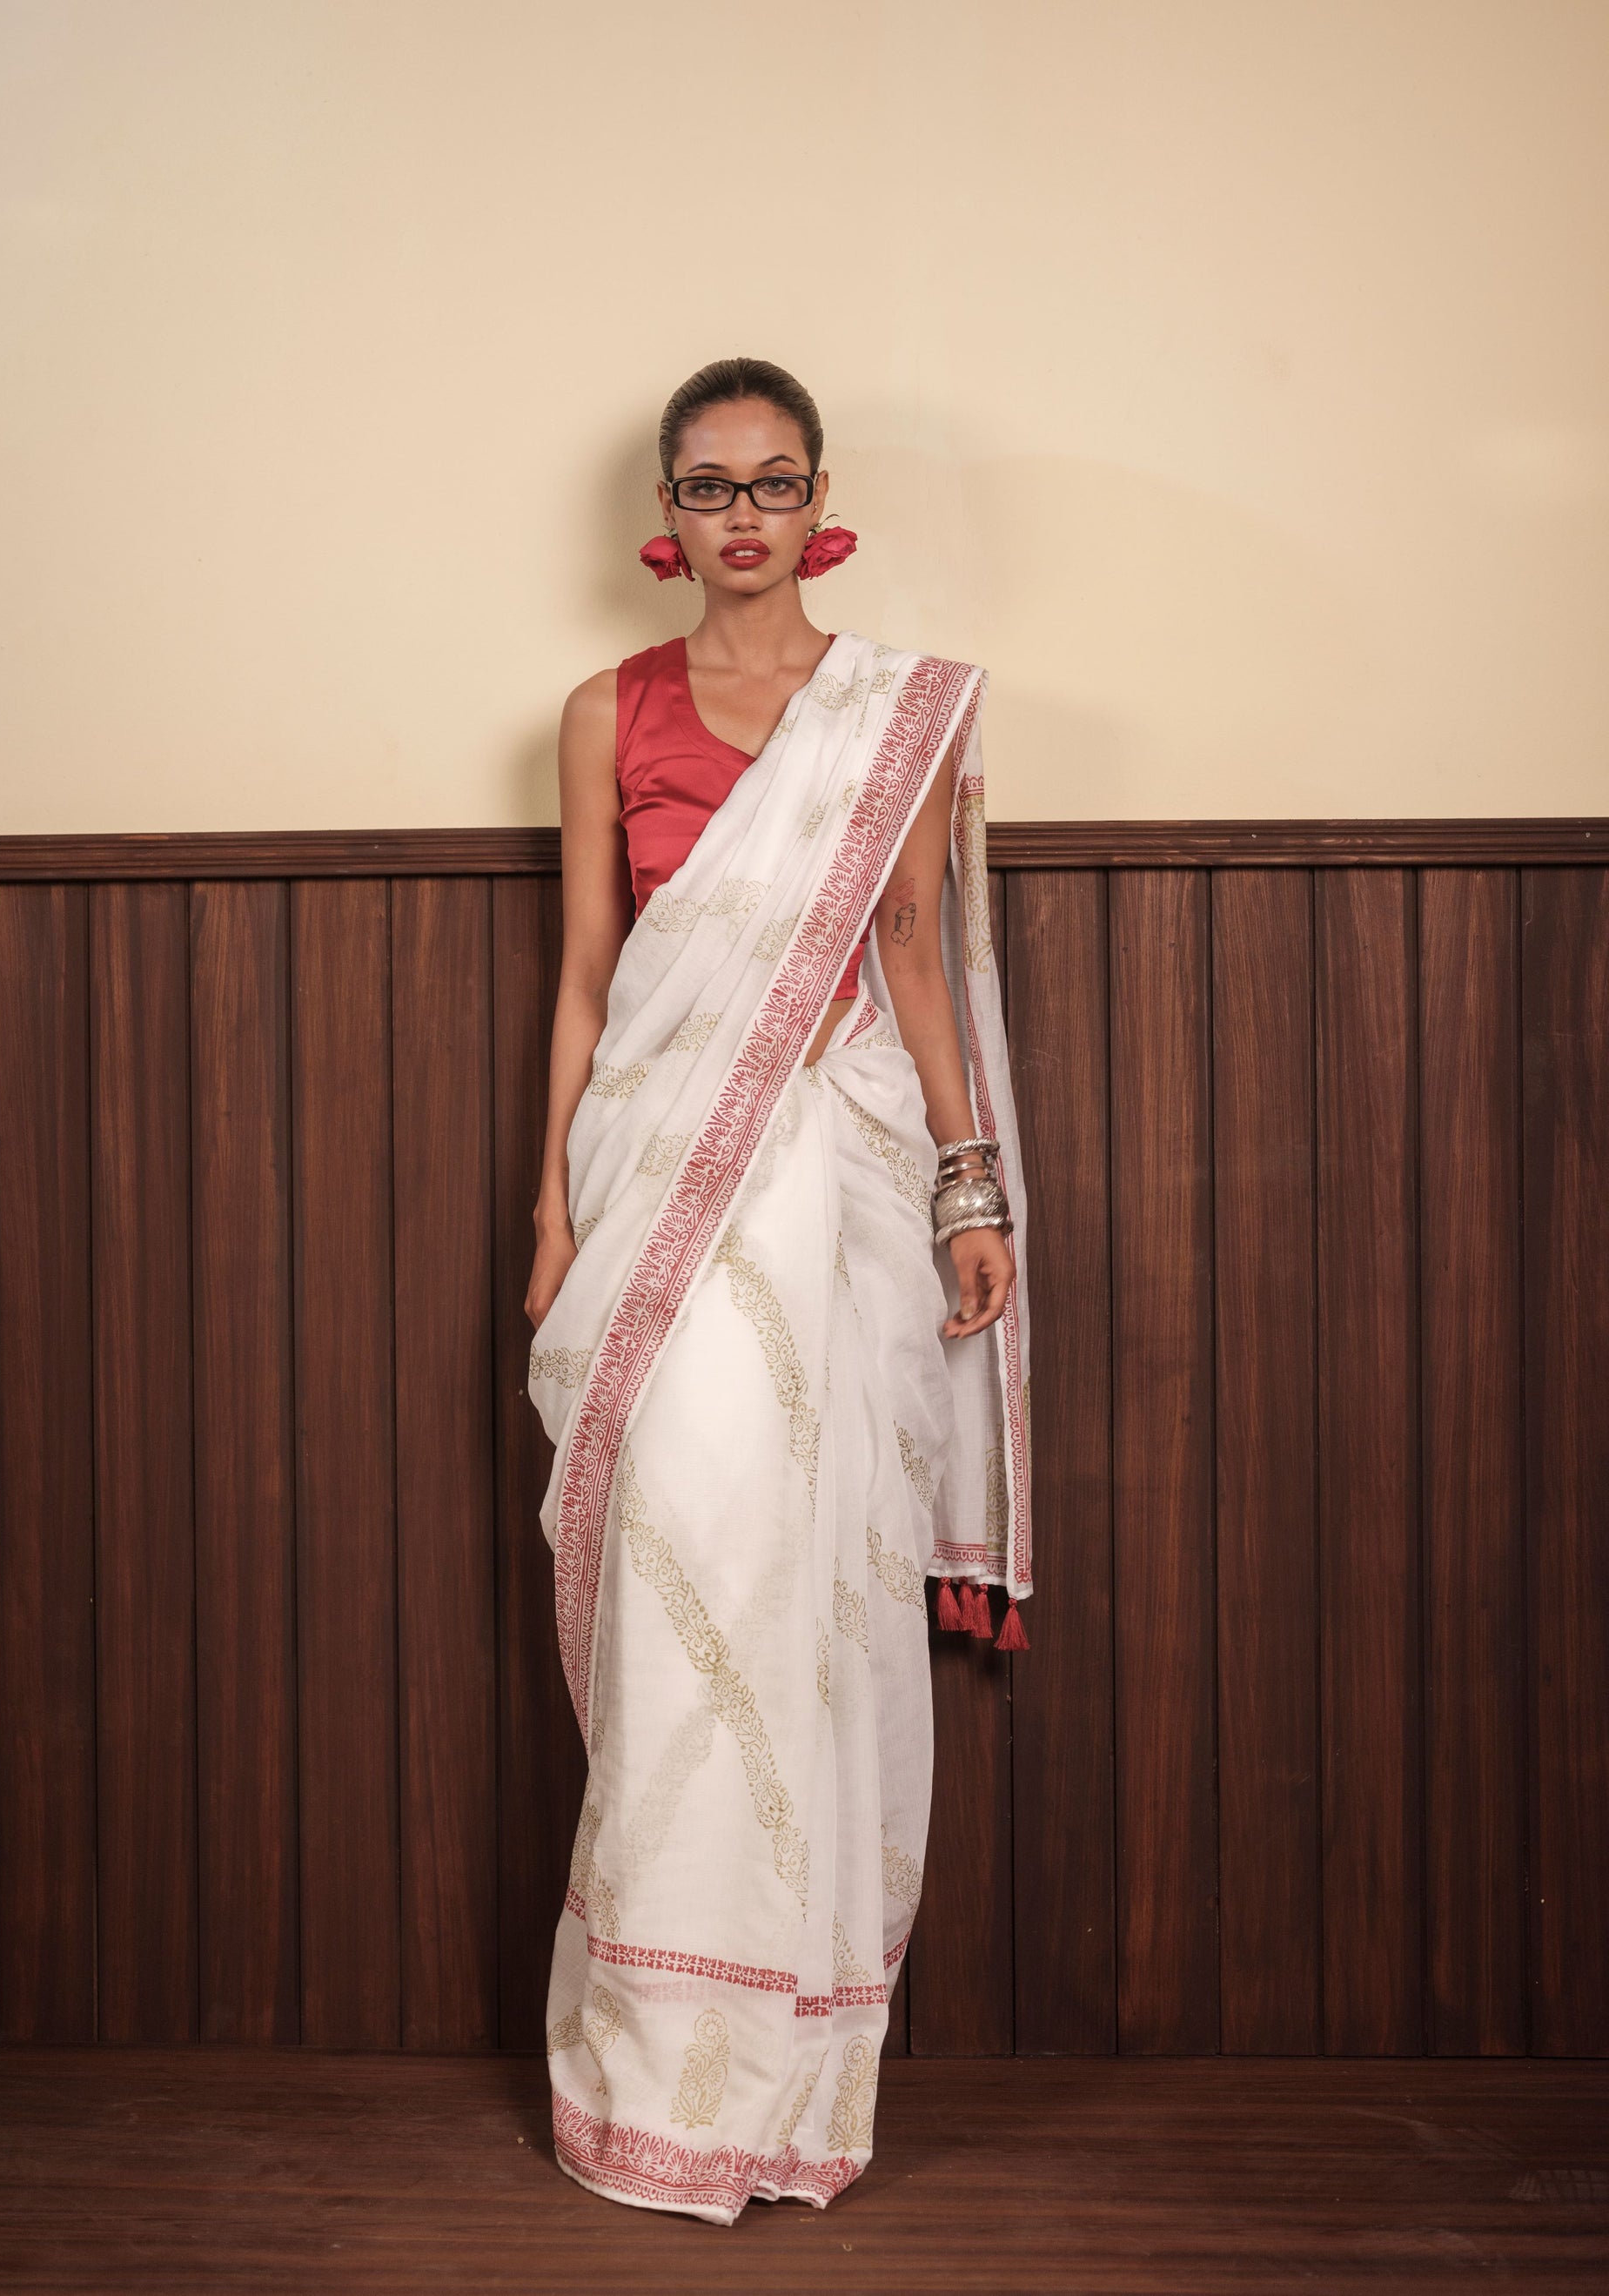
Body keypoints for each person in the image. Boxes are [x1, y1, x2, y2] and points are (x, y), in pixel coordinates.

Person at [523, 356, 1032, 2226]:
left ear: (821, 503)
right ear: (666, 511)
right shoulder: (604, 711)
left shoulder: (897, 712)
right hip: (657, 1176)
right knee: (680, 1568)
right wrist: (550, 1209)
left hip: (835, 1174)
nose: (742, 513)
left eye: (773, 481)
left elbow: (915, 954)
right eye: (709, 483)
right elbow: (592, 972)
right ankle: (656, 2056)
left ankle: (794, 2066)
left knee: (814, 1584)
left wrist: (969, 1187)